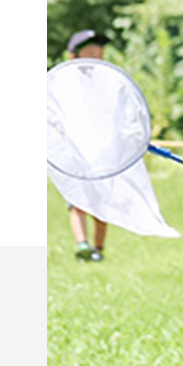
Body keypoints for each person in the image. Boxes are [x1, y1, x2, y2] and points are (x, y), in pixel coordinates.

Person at [64, 29, 112, 262]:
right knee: (77, 202)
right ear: (74, 56)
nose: (95, 55)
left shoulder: (109, 86)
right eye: (89, 51)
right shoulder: (64, 85)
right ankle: (82, 243)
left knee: (101, 205)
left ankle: (98, 249)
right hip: (75, 153)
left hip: (102, 154)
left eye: (98, 52)